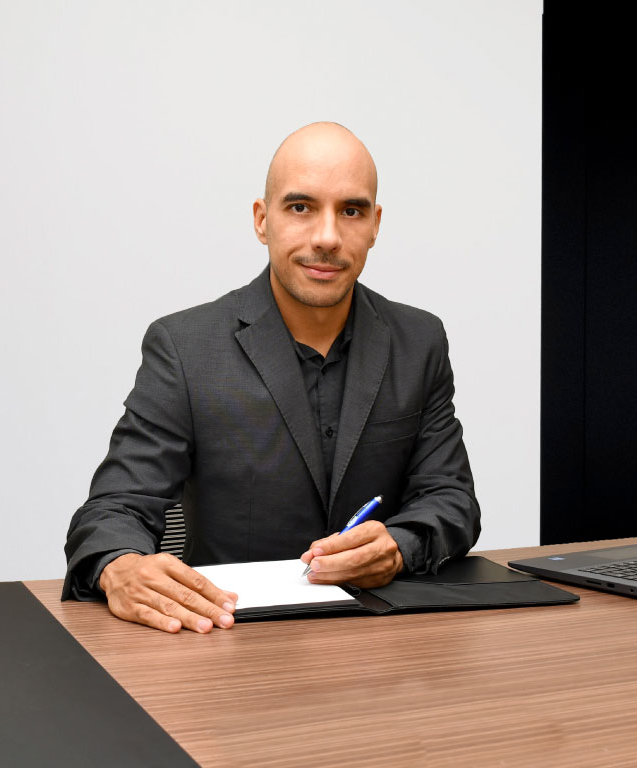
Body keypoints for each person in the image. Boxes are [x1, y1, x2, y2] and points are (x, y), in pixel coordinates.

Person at [63, 122, 480, 633]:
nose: (327, 237)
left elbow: (452, 499)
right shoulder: (185, 347)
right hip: (232, 638)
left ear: (375, 225)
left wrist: (400, 546)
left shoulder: (419, 341)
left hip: (383, 639)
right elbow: (114, 509)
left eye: (350, 211)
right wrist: (120, 566)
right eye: (301, 207)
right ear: (263, 220)